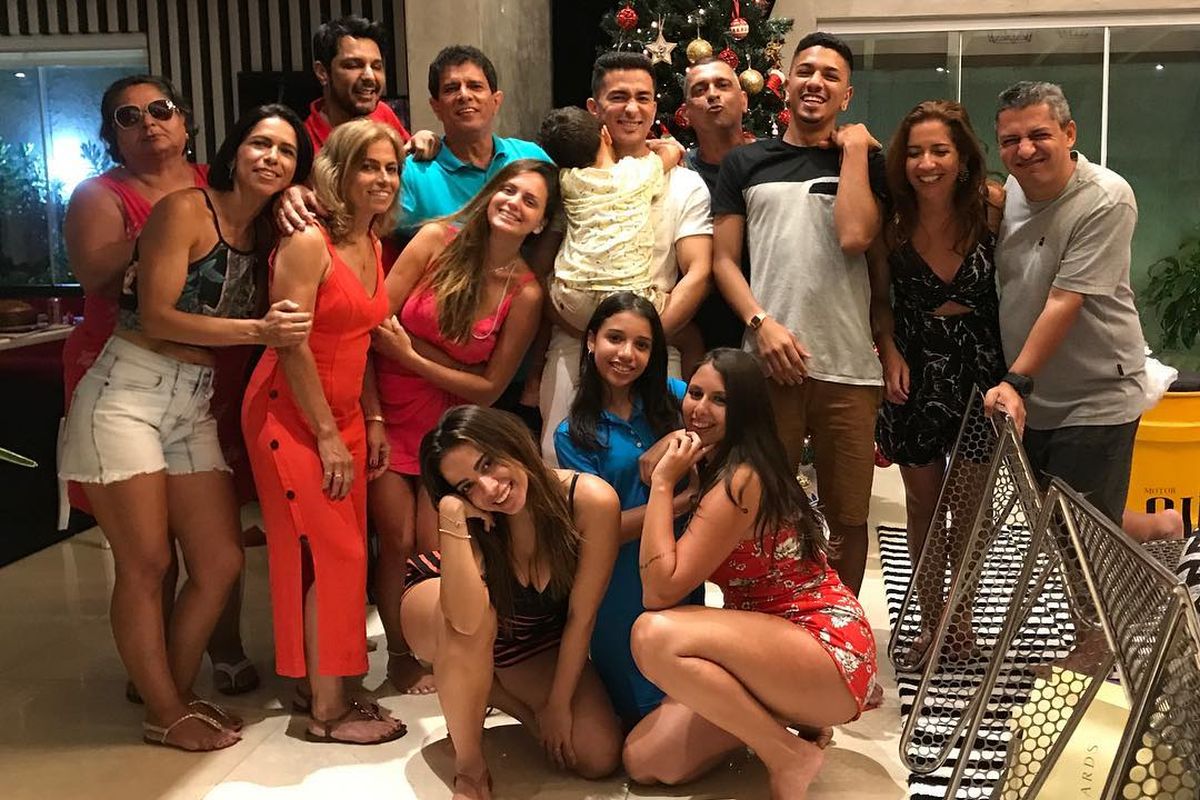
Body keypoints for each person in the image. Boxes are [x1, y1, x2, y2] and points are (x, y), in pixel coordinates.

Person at [58, 104, 314, 751]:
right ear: (233, 150)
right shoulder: (186, 210)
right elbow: (156, 316)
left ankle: (170, 694)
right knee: (146, 563)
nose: (271, 158)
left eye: (286, 151)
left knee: (221, 561)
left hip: (192, 403)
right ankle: (166, 711)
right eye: (260, 144)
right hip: (127, 393)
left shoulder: (268, 232)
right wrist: (260, 330)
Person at [63, 75, 261, 698]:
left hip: (211, 376)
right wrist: (175, 226)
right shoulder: (101, 194)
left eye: (160, 109)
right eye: (128, 117)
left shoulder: (217, 180)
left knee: (216, 539)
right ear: (111, 135)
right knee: (149, 549)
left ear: (185, 120)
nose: (148, 122)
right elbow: (97, 275)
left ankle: (210, 651)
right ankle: (159, 685)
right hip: (126, 369)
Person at [621, 349, 878, 798]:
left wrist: (662, 484)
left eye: (720, 400)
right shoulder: (719, 461)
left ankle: (786, 754)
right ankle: (788, 718)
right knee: (644, 761)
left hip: (823, 644)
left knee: (652, 634)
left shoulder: (740, 478)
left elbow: (659, 592)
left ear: (745, 410)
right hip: (770, 650)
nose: (700, 409)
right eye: (695, 394)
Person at [241, 119, 406, 745]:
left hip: (345, 416)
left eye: (391, 168)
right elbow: (292, 346)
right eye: (368, 166)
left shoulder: (372, 242)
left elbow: (358, 340)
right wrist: (328, 435)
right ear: (339, 171)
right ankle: (328, 715)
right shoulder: (310, 242)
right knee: (338, 555)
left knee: (331, 556)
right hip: (291, 413)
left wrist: (371, 418)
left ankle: (322, 683)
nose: (383, 179)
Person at [367, 158, 557, 694]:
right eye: (509, 190)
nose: (514, 203)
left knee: (436, 548)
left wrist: (411, 354)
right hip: (387, 410)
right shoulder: (434, 240)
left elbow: (490, 389)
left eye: (530, 201)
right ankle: (400, 655)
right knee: (396, 538)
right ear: (491, 192)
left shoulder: (526, 293)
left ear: (540, 223)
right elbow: (375, 325)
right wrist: (375, 410)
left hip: (451, 434)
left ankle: (448, 654)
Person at [711, 31, 887, 595]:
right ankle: (764, 619)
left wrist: (855, 152)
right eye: (806, 70)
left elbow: (861, 241)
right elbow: (723, 261)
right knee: (759, 508)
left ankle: (841, 627)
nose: (816, 82)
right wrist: (760, 325)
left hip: (849, 367)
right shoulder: (746, 162)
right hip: (768, 364)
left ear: (847, 95)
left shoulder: (867, 163)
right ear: (786, 83)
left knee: (848, 519)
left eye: (831, 75)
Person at [401, 405, 623, 798]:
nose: (489, 489)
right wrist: (452, 512)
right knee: (473, 623)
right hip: (445, 605)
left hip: (527, 633)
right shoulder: (470, 517)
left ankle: (490, 689)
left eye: (488, 464)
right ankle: (470, 769)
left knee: (596, 755)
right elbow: (464, 620)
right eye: (467, 486)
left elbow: (582, 616)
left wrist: (557, 705)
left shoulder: (589, 500)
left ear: (511, 440)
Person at [983, 82, 1174, 535]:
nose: (1025, 150)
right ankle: (1160, 527)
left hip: (1095, 395)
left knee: (1080, 540)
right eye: (1011, 140)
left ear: (1069, 133)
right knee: (1056, 525)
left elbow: (1064, 300)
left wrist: (1014, 380)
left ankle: (1143, 553)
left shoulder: (1106, 197)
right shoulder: (1012, 190)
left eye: (1039, 135)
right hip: (1037, 395)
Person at [870, 100, 1006, 665]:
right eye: (915, 153)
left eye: (940, 151)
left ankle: (962, 622)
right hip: (916, 367)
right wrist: (888, 353)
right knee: (923, 505)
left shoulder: (993, 207)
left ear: (963, 157)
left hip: (981, 369)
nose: (926, 163)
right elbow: (880, 301)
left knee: (971, 509)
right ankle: (932, 624)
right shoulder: (892, 222)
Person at [537, 51, 712, 464]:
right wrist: (589, 336)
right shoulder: (568, 179)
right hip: (574, 346)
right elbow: (541, 268)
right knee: (560, 465)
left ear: (654, 106)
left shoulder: (685, 184)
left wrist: (639, 341)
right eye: (618, 97)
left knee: (655, 468)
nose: (632, 109)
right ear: (594, 108)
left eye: (643, 98)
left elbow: (698, 272)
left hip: (654, 351)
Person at [553, 292, 704, 728]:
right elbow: (601, 530)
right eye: (615, 338)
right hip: (618, 576)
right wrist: (679, 501)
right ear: (591, 341)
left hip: (679, 563)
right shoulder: (573, 434)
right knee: (635, 712)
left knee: (685, 681)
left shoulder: (674, 397)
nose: (626, 354)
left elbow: (727, 428)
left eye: (641, 344)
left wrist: (673, 440)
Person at [536, 107, 682, 331]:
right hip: (630, 298)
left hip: (572, 299)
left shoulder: (566, 180)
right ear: (605, 134)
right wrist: (655, 144)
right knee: (688, 334)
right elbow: (672, 152)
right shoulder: (637, 172)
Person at [398, 45, 552, 236]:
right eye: (451, 88)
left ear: (496, 101)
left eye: (475, 86)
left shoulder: (531, 157)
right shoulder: (413, 174)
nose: (464, 95)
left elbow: (562, 219)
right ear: (436, 107)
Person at [682, 57, 752, 352]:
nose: (712, 94)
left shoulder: (771, 164)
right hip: (695, 333)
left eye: (722, 85)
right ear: (686, 113)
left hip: (768, 324)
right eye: (700, 89)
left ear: (744, 100)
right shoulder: (678, 172)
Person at [303, 15, 411, 151]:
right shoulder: (304, 143)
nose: (370, 76)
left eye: (376, 66)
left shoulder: (382, 113)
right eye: (354, 65)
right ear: (322, 72)